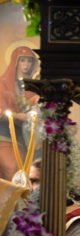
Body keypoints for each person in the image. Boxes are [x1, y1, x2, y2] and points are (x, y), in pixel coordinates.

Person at [0, 46, 39, 181]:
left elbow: (37, 108)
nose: (26, 65)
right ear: (15, 62)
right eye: (23, 60)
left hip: (26, 136)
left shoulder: (34, 86)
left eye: (29, 61)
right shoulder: (3, 83)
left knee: (27, 171)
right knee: (12, 168)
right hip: (5, 133)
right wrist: (17, 116)